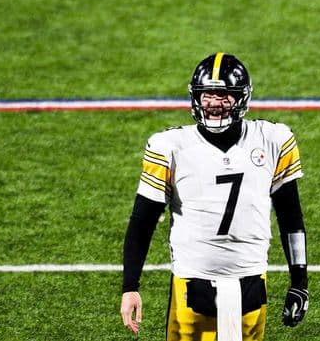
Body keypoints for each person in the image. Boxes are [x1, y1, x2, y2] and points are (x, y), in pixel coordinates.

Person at [119, 53, 309, 341]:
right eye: (208, 94)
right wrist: (130, 286)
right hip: (191, 281)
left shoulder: (272, 140)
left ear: (241, 98)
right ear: (196, 97)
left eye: (224, 95)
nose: (215, 103)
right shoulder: (170, 146)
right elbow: (142, 221)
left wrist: (300, 281)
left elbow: (291, 217)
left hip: (252, 281)